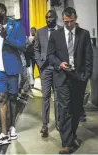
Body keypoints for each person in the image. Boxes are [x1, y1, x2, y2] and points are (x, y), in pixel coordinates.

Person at [47, 7, 93, 153]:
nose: (69, 24)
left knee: (76, 110)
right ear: (63, 20)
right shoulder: (55, 35)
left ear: (76, 18)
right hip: (62, 78)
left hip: (79, 78)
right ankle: (66, 144)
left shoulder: (84, 34)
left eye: (72, 21)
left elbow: (88, 57)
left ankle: (72, 136)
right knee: (65, 110)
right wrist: (60, 64)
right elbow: (50, 55)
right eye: (66, 22)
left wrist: (86, 76)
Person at [0, 3, 26, 146]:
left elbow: (22, 45)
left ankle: (12, 127)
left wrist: (6, 37)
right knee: (1, 99)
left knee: (13, 99)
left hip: (13, 68)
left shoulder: (15, 25)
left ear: (3, 11)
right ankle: (4, 134)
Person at [34, 10, 62, 137]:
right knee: (45, 97)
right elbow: (36, 48)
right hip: (45, 68)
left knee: (58, 98)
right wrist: (40, 64)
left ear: (56, 17)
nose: (48, 19)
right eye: (46, 17)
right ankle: (44, 125)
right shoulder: (40, 32)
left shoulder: (62, 30)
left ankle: (59, 122)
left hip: (58, 68)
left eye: (50, 17)